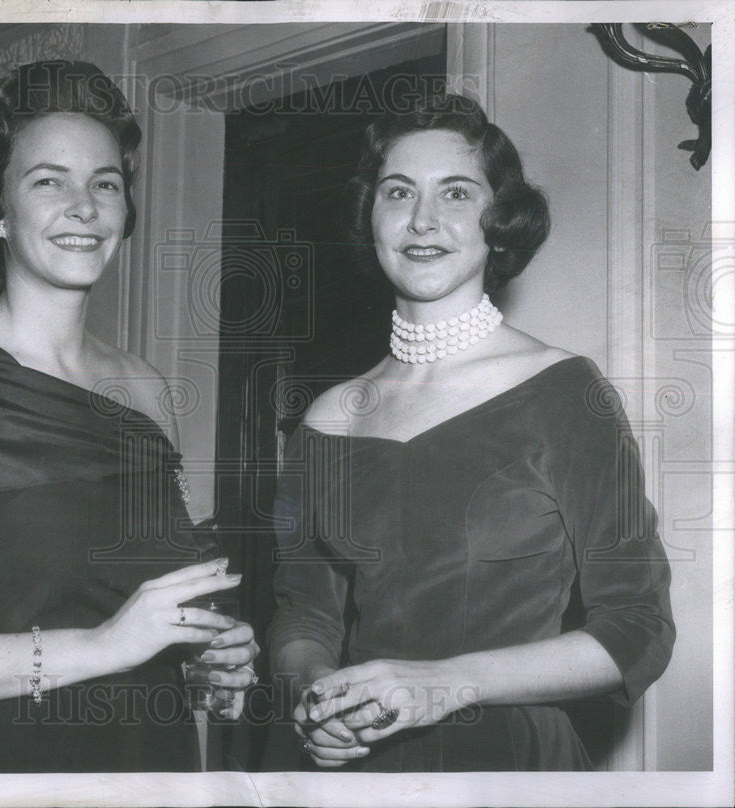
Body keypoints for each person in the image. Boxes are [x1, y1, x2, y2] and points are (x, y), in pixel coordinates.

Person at [0, 60, 258, 773]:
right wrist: (106, 645)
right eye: (48, 180)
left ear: (125, 212)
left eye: (106, 184)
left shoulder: (148, 390)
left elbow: (124, 607)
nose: (84, 206)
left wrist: (201, 656)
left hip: (148, 763)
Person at [268, 94, 674, 771]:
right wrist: (316, 696)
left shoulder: (565, 391)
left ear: (499, 220)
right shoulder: (326, 420)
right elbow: (304, 616)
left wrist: (443, 685)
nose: (422, 219)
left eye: (456, 193)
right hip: (362, 768)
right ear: (370, 215)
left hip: (512, 761)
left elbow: (638, 630)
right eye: (398, 192)